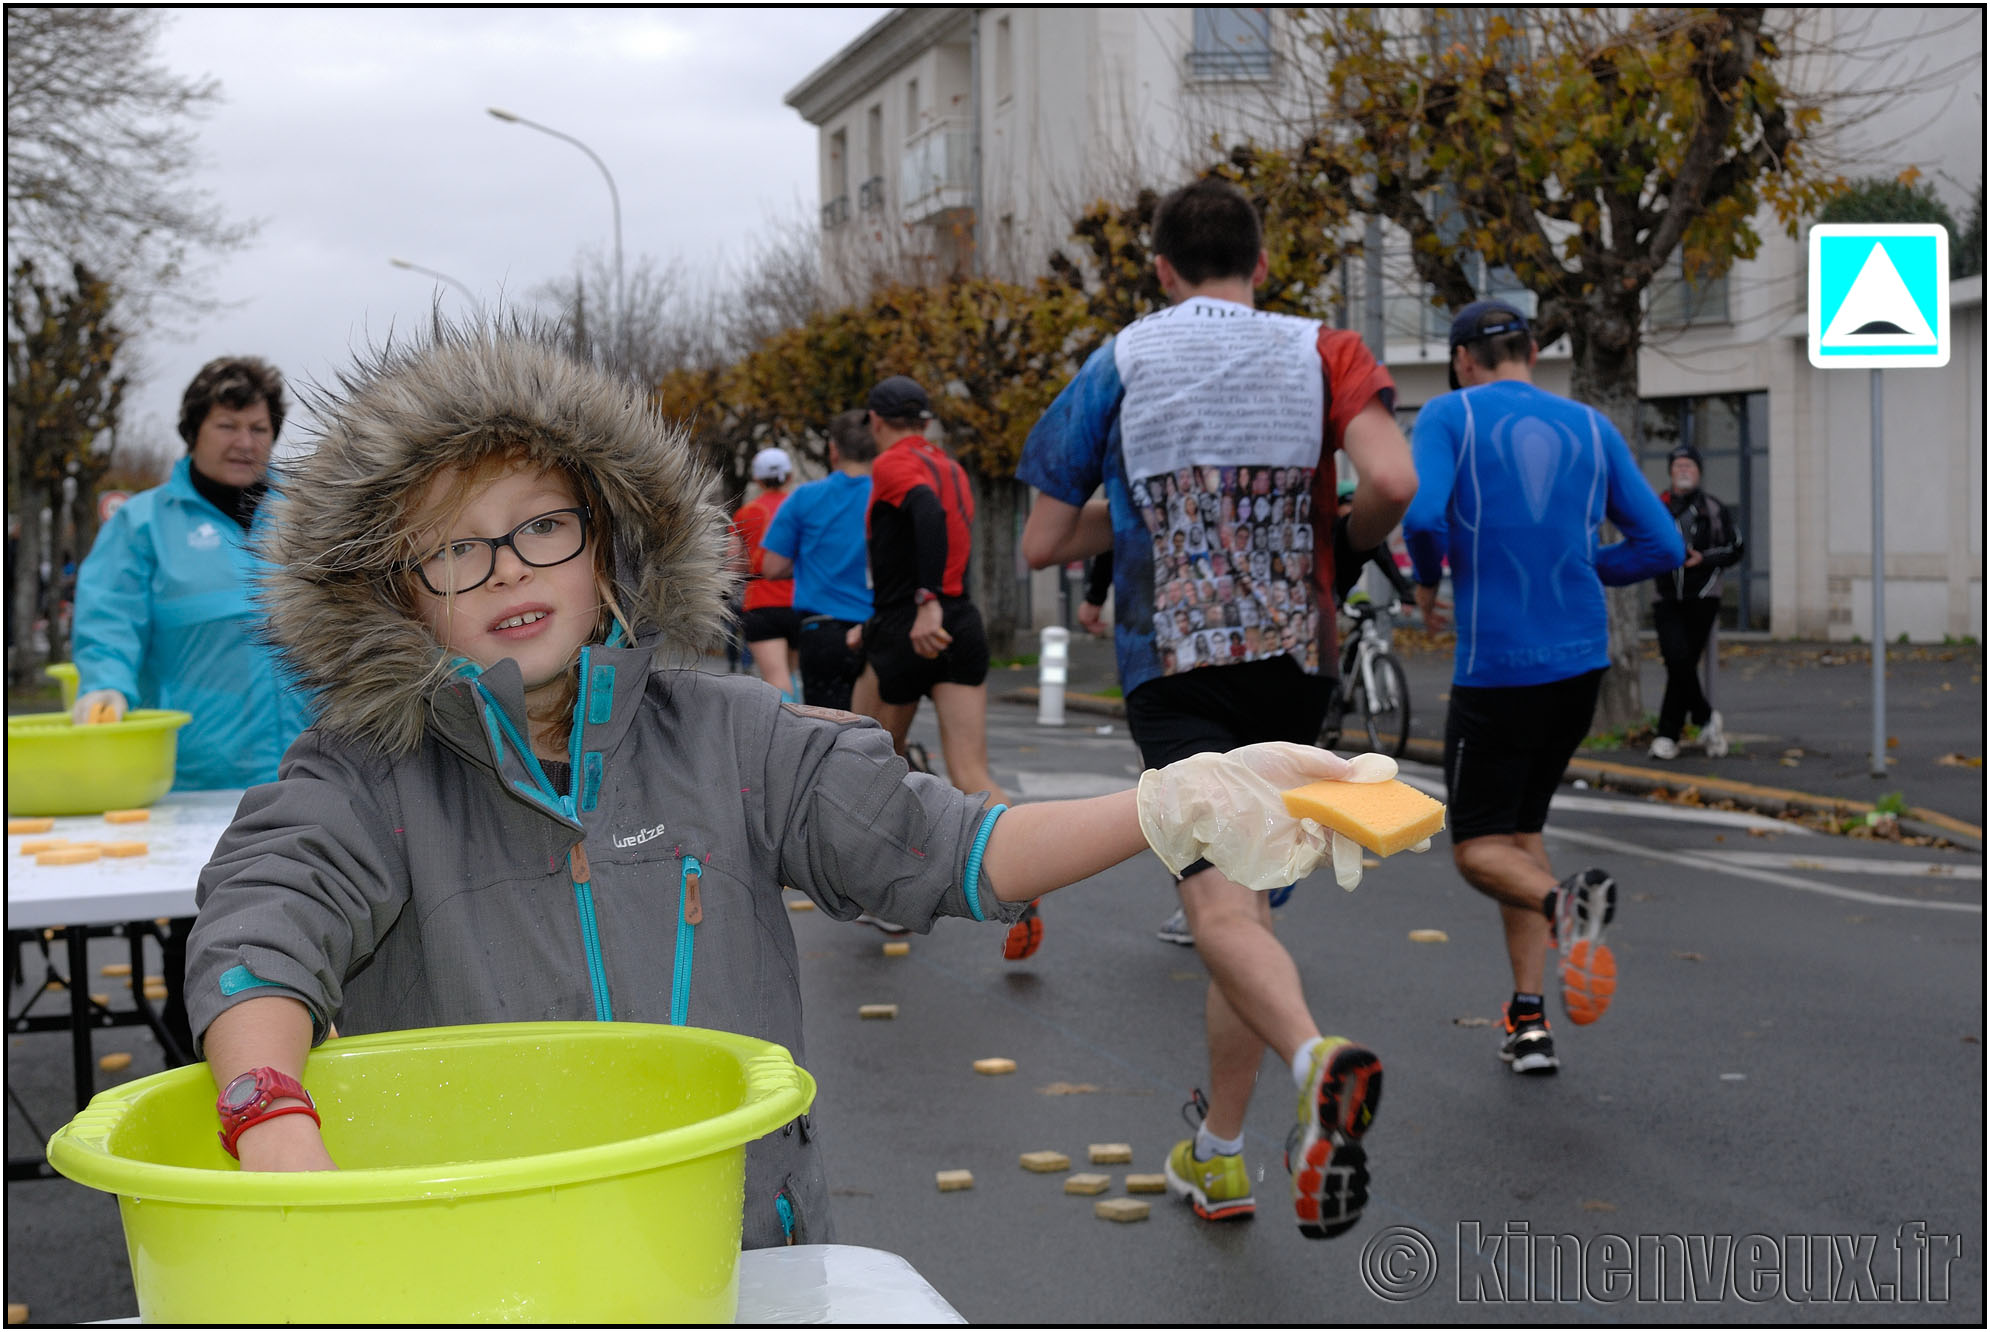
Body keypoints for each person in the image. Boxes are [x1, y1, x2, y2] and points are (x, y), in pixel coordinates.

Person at [179, 318, 1360, 1252]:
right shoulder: (359, 778)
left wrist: (1175, 801)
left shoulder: (734, 738)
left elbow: (943, 847)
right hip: (480, 1264)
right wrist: (270, 1117)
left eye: (541, 525)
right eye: (453, 546)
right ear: (397, 590)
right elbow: (259, 933)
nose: (505, 569)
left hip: (737, 1260)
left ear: (611, 544)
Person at [1019, 176, 1420, 1240]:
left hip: (1178, 665)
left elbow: (1042, 541)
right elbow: (1391, 479)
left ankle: (1314, 1061)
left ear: (1158, 270)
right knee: (1242, 909)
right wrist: (1336, 535)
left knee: (1215, 913)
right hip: (1294, 662)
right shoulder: (1322, 347)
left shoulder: (1121, 358)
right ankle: (1223, 1155)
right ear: (1262, 263)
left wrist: (1152, 514)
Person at [1402, 299, 1685, 1077]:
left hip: (1497, 666)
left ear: (1463, 360)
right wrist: (1589, 566)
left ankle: (1567, 907)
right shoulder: (1593, 427)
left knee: (1475, 848)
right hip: (1579, 664)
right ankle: (1529, 1021)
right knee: (1521, 835)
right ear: (1531, 351)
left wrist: (1427, 583)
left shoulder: (1448, 416)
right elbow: (1664, 543)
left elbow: (1423, 516)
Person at [854, 376, 1037, 961]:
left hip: (912, 622)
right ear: (926, 421)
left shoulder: (891, 464)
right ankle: (1026, 881)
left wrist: (923, 599)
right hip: (962, 621)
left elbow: (926, 515)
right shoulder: (952, 467)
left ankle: (888, 900)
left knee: (864, 764)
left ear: (877, 422)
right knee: (972, 768)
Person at [70, 356, 310, 789]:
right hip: (191, 781)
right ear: (192, 431)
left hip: (313, 774)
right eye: (227, 426)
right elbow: (109, 621)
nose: (245, 442)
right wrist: (105, 684)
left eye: (259, 428)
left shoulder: (312, 516)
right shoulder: (140, 525)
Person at [759, 410, 875, 713]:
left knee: (832, 732)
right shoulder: (891, 496)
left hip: (824, 632)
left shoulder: (805, 498)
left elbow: (772, 567)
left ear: (833, 450)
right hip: (880, 628)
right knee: (883, 736)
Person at [1648, 443, 1744, 761]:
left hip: (1703, 597)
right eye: (1679, 466)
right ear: (1671, 472)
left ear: (1699, 472)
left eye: (1690, 465)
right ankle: (1705, 718)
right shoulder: (1656, 506)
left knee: (1683, 666)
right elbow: (1642, 543)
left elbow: (1735, 548)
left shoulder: (1714, 508)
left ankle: (1667, 736)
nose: (1684, 470)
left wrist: (1702, 558)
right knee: (1676, 660)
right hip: (1665, 596)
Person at [732, 447, 800, 700]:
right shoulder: (800, 507)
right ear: (790, 476)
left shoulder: (746, 513)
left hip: (761, 601)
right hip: (800, 600)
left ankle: (789, 733)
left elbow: (734, 564)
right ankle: (803, 723)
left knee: (776, 677)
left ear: (757, 479)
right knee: (791, 673)